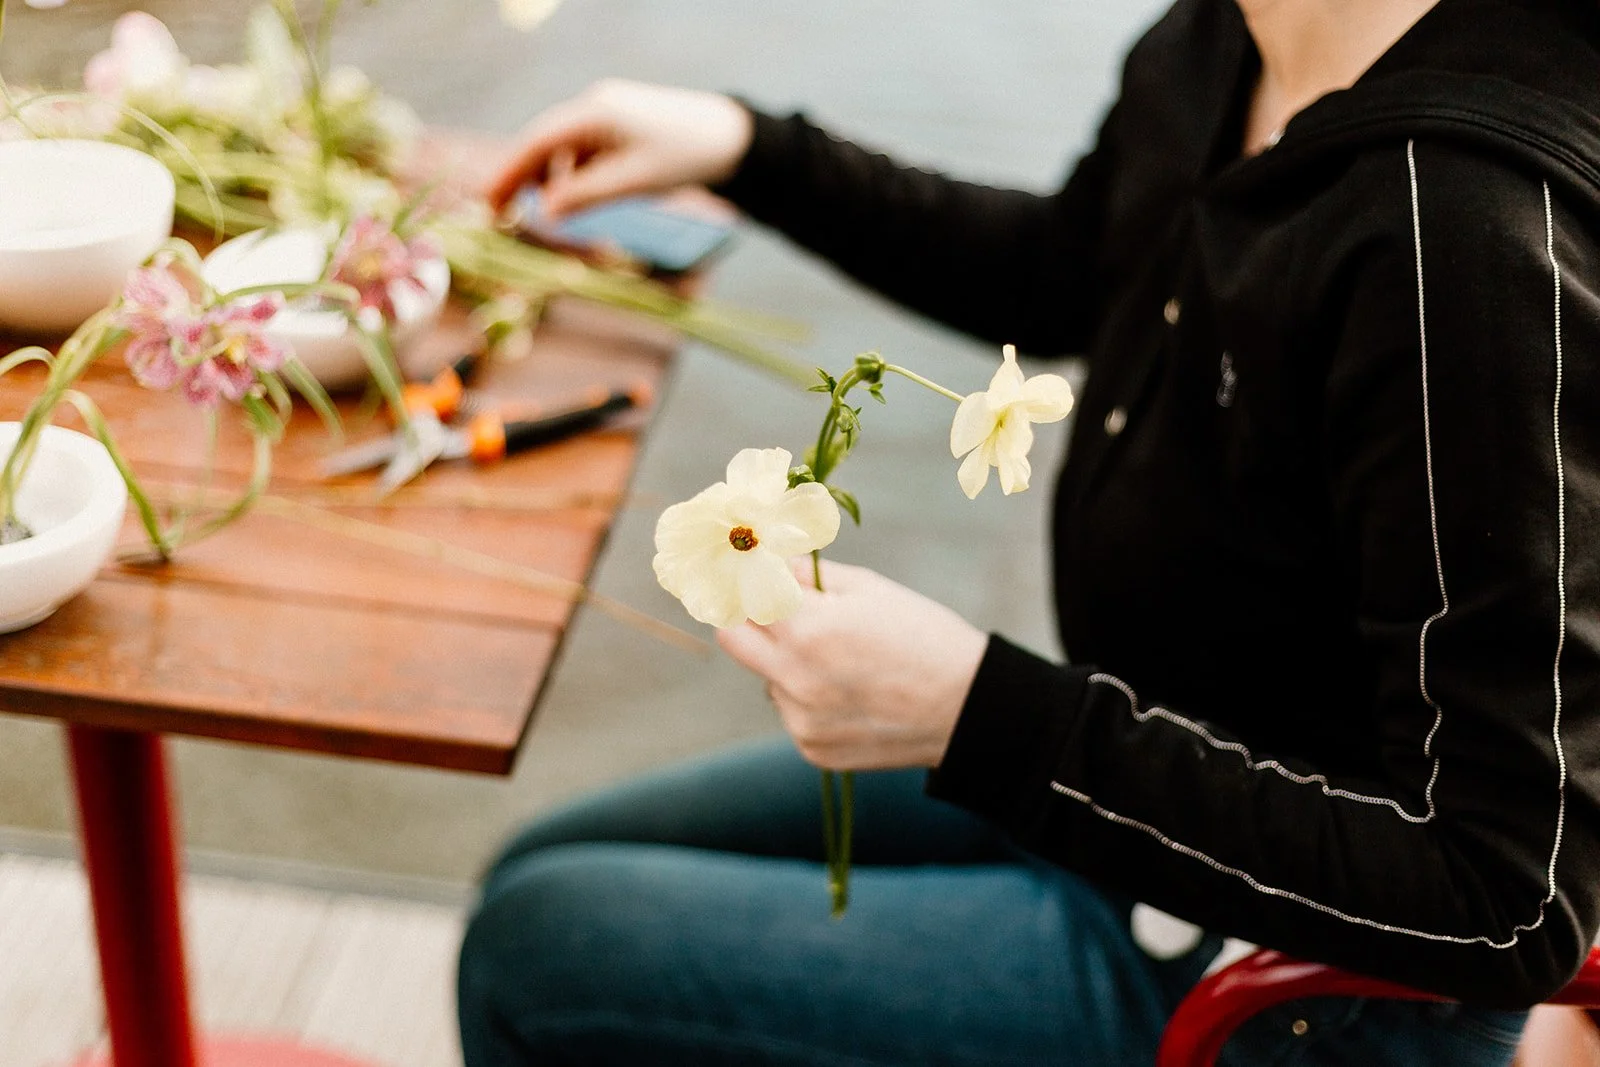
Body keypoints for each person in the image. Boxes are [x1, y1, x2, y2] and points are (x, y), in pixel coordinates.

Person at [456, 0, 1600, 1063]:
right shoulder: (1240, 31)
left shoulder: (1461, 231)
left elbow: (1509, 897)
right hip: (1130, 764)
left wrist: (973, 712)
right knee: (531, 868)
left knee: (533, 947)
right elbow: (1073, 266)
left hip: (1278, 976)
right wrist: (750, 149)